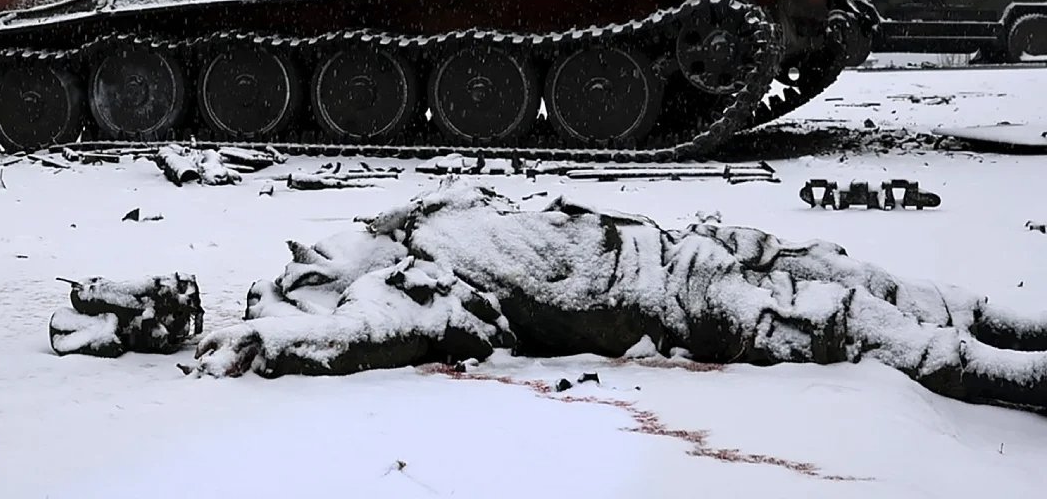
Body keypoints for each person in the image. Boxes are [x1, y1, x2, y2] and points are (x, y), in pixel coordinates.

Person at [191, 182, 1047, 411]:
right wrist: (274, 342)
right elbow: (377, 334)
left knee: (855, 278)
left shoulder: (436, 215)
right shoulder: (422, 284)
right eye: (305, 271)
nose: (314, 252)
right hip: (671, 303)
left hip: (676, 251)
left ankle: (1009, 328)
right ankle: (1017, 380)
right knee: (847, 321)